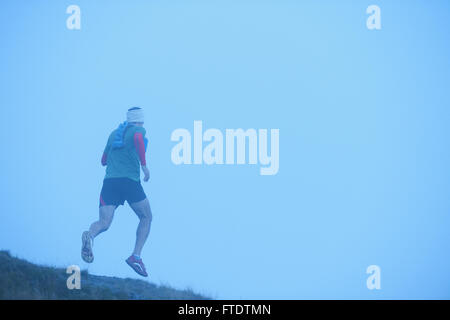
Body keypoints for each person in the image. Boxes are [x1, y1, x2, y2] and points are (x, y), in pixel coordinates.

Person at [81, 107, 152, 277]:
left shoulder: (114, 134)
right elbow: (137, 138)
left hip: (110, 183)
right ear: (140, 120)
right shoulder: (138, 130)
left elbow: (103, 161)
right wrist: (144, 166)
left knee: (104, 223)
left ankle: (89, 236)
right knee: (146, 216)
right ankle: (136, 256)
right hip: (129, 181)